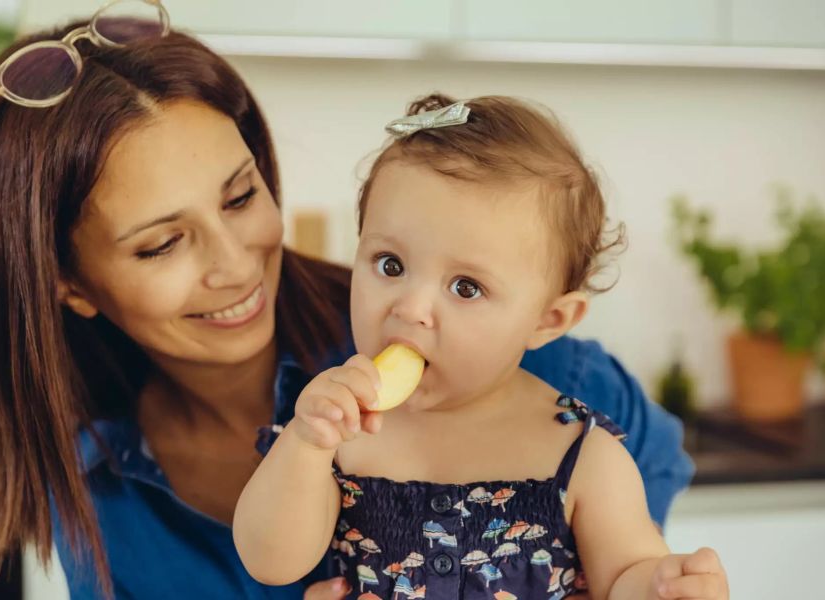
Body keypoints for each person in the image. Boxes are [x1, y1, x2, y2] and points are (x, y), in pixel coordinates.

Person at [0, 1, 693, 597]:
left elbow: (649, 487)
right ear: (68, 284)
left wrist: (598, 576)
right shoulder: (90, 476)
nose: (235, 266)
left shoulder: (517, 371)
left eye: (240, 198)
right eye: (162, 243)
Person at [234, 95, 726, 600]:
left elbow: (624, 575)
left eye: (466, 287)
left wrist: (661, 585)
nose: (411, 307)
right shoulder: (339, 432)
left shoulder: (582, 454)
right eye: (390, 264)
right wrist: (305, 444)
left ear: (547, 320)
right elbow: (270, 561)